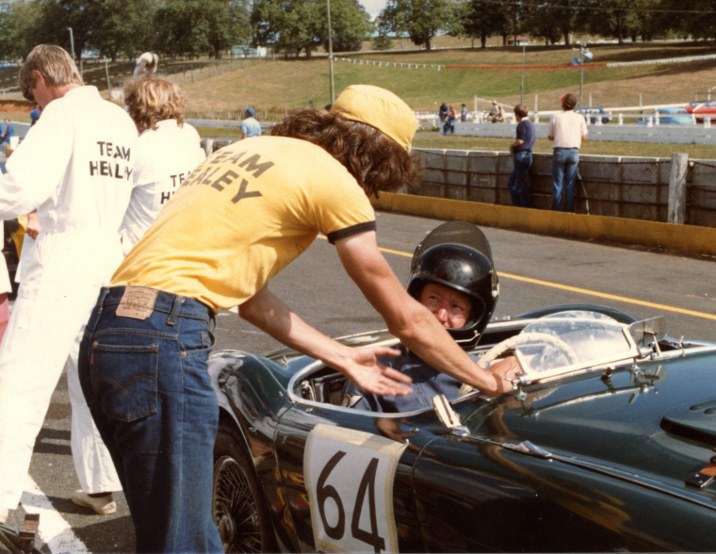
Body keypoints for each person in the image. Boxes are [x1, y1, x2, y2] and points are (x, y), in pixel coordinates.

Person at [78, 84, 513, 552]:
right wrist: (486, 381)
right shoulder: (336, 182)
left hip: (109, 331)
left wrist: (342, 356)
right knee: (181, 541)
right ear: (380, 156)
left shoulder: (250, 149)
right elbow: (407, 318)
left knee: (174, 530)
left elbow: (252, 301)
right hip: (164, 338)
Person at [0, 44, 138, 525]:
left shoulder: (59, 116)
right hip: (110, 256)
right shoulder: (119, 120)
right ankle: (101, 483)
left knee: (19, 379)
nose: (33, 104)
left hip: (62, 253)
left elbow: (16, 189)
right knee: (93, 380)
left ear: (40, 77)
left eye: (30, 93)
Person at [343, 220, 510, 412]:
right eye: (433, 298)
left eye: (456, 307)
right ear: (416, 299)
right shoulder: (376, 371)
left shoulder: (485, 371)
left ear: (471, 317)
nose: (440, 315)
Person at [120, 75, 205, 254]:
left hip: (142, 256)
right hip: (184, 246)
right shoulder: (190, 135)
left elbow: (112, 202)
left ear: (136, 109)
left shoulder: (137, 148)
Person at [548, 92, 588, 212]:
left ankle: (556, 210)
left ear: (563, 104)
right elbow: (584, 137)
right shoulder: (579, 117)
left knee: (557, 184)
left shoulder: (556, 117)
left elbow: (550, 136)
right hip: (574, 151)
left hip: (559, 150)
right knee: (570, 184)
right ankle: (569, 211)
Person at [507, 104, 536, 207]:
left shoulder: (521, 125)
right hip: (528, 156)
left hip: (521, 156)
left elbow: (520, 140)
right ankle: (522, 206)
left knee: (516, 184)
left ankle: (521, 207)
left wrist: (511, 146)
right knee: (517, 183)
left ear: (517, 115)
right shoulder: (531, 125)